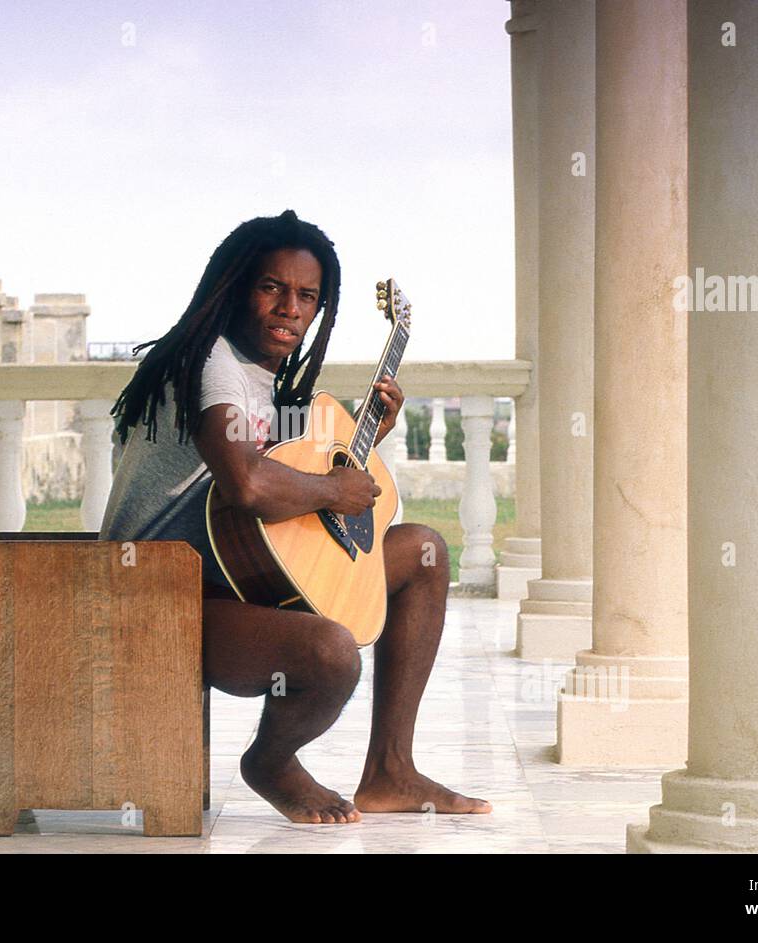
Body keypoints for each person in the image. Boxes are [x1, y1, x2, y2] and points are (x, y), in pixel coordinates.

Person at [101, 210, 491, 824]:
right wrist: (333, 487)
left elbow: (292, 480)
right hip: (159, 594)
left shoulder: (265, 381)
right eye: (271, 288)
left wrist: (363, 447)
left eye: (307, 296)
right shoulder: (212, 363)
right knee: (331, 653)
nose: (290, 307)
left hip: (233, 575)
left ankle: (390, 770)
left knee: (423, 552)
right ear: (235, 288)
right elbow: (249, 484)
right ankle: (271, 761)